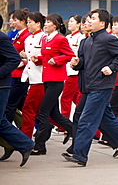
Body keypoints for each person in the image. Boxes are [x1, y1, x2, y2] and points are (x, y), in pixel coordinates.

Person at [64, 9, 118, 166]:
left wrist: (111, 68)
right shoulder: (86, 41)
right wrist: (77, 64)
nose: (89, 21)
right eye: (89, 18)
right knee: (106, 118)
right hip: (88, 86)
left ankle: (80, 155)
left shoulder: (107, 39)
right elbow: (84, 63)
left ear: (102, 23)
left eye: (93, 19)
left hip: (101, 85)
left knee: (86, 120)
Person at [30, 13, 74, 155]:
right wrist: (38, 59)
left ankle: (39, 145)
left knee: (43, 113)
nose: (45, 24)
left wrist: (57, 60)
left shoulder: (60, 39)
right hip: (47, 79)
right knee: (54, 114)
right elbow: (47, 56)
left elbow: (70, 55)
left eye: (48, 22)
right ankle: (75, 131)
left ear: (55, 25)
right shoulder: (45, 38)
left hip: (56, 81)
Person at [0, 16, 34, 167]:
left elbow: (14, 59)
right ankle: (23, 144)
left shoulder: (2, 38)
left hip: (2, 85)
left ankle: (25, 144)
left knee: (1, 120)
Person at [19, 12, 45, 138]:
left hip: (40, 78)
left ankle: (26, 137)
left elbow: (47, 56)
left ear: (38, 24)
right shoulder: (28, 39)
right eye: (27, 22)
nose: (28, 24)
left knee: (29, 109)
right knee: (41, 111)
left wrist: (38, 59)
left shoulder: (43, 37)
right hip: (29, 76)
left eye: (30, 22)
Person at [5, 9, 30, 123]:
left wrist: (23, 61)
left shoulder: (27, 36)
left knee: (10, 104)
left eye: (15, 20)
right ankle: (39, 123)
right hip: (13, 73)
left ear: (23, 21)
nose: (12, 22)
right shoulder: (14, 34)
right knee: (21, 104)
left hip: (21, 74)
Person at [60, 15, 83, 122]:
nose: (69, 23)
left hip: (74, 72)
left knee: (65, 98)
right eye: (69, 21)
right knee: (76, 98)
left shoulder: (81, 38)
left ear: (79, 24)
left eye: (72, 21)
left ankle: (64, 124)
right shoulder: (67, 38)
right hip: (66, 71)